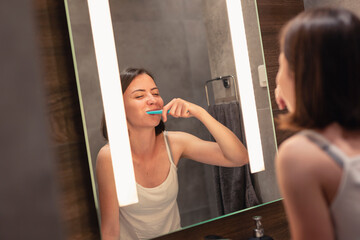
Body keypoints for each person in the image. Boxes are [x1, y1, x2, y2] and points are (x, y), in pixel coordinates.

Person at [96, 67, 249, 240]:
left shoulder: (175, 143)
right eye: (139, 96)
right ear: (118, 108)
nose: (152, 100)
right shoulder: (110, 157)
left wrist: (200, 113)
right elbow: (109, 231)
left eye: (155, 93)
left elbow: (239, 157)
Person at [275, 7, 360, 240]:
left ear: (302, 75)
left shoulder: (299, 156)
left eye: (281, 62)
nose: (277, 79)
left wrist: (298, 105)